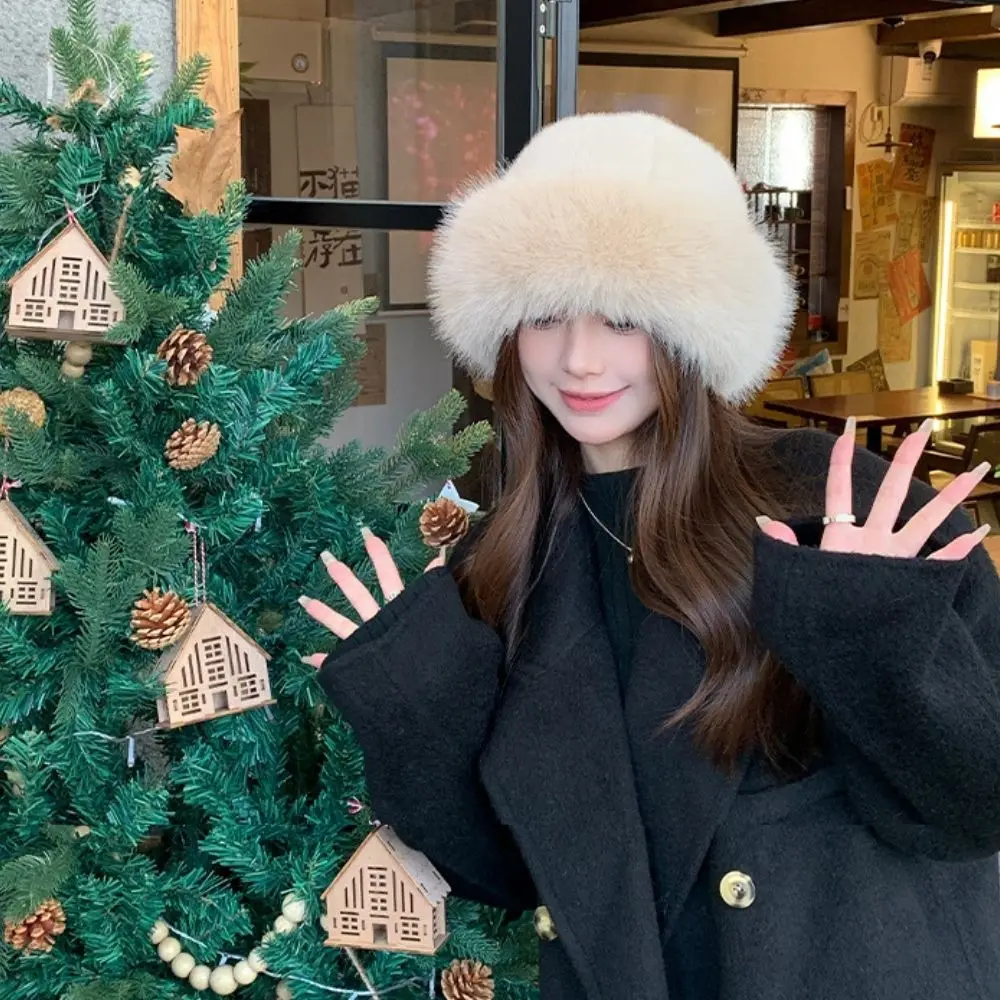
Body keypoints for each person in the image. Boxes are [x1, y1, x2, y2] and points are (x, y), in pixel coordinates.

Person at [298, 112, 1000, 1000]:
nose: (580, 359)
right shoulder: (505, 564)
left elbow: (973, 808)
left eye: (625, 316)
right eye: (545, 315)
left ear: (692, 330)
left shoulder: (831, 502)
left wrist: (873, 637)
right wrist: (419, 708)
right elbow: (509, 877)